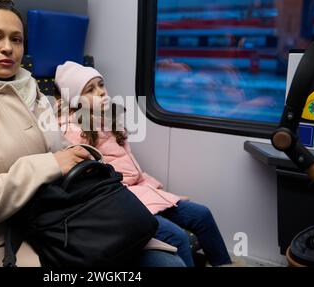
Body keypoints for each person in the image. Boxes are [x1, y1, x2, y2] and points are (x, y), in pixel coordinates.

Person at [0, 0, 184, 267]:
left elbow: (59, 151)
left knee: (169, 252)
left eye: (16, 39)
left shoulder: (34, 93)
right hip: (10, 239)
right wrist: (48, 165)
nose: (8, 48)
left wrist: (80, 154)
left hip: (65, 214)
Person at [54, 61, 235, 267]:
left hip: (142, 193)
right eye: (90, 90)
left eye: (101, 85)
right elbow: (94, 187)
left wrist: (162, 193)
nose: (101, 92)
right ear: (76, 100)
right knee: (178, 237)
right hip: (120, 204)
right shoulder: (74, 133)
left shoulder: (110, 121)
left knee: (202, 214)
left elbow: (134, 171)